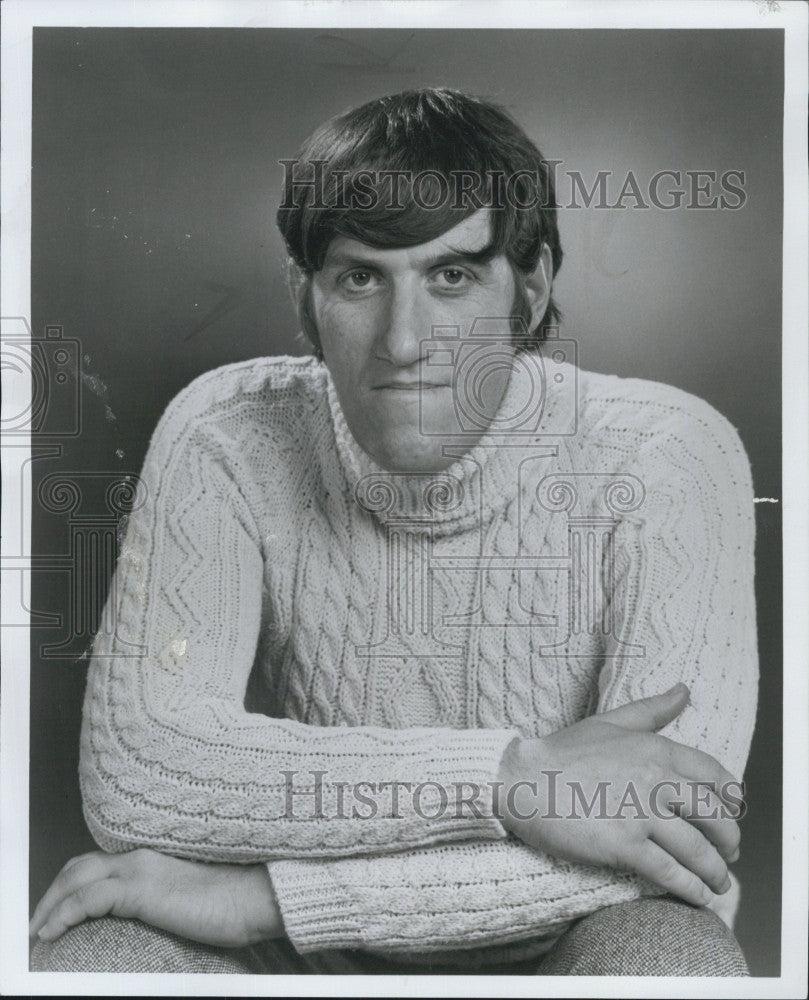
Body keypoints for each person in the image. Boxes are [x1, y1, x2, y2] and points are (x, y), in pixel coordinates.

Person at [30, 88, 757, 976]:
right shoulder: (228, 430)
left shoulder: (668, 453)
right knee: (99, 955)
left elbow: (679, 834)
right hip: (304, 963)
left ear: (529, 289)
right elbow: (142, 775)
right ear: (305, 300)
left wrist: (268, 900)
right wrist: (512, 777)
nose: (403, 341)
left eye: (450, 276)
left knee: (672, 962)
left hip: (564, 933)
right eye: (360, 278)